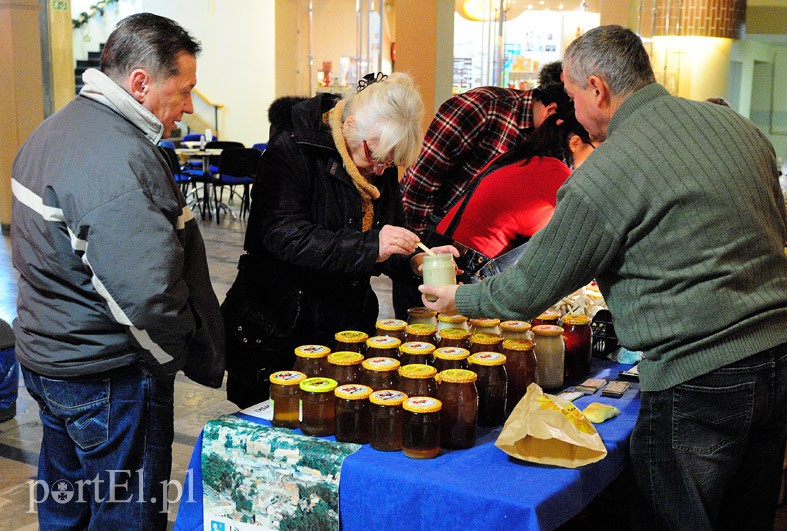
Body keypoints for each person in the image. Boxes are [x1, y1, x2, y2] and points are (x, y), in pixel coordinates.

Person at [420, 25, 787, 530]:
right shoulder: (738, 128)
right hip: (783, 356)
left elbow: (528, 289)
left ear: (597, 89)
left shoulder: (607, 170)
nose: (572, 111)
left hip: (700, 375)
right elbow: (775, 225)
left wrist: (456, 298)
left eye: (574, 96)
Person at [11, 13, 225, 529]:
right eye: (185, 89)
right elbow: (149, 294)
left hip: (52, 359)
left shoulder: (57, 128)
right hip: (106, 373)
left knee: (66, 506)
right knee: (125, 513)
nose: (189, 107)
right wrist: (171, 351)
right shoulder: (117, 157)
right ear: (141, 83)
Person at [222, 72, 456, 408]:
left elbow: (388, 236)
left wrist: (415, 259)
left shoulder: (377, 158)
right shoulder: (291, 150)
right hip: (280, 329)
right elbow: (284, 235)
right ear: (351, 124)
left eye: (390, 162)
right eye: (375, 157)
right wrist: (370, 246)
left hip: (346, 328)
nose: (380, 168)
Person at [401, 62, 572, 235]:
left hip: (478, 237)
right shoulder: (482, 106)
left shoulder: (545, 136)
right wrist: (417, 246)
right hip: (434, 223)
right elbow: (421, 180)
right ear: (550, 111)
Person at [434, 111, 595, 262]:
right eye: (597, 150)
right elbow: (589, 222)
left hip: (442, 246)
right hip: (468, 262)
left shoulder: (523, 157)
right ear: (575, 143)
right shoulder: (555, 172)